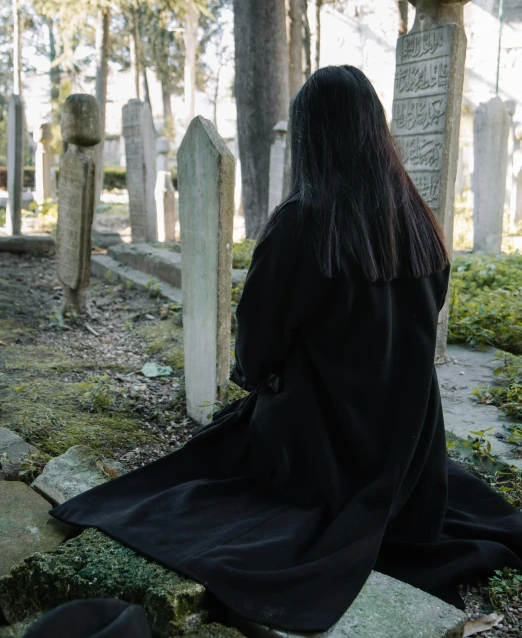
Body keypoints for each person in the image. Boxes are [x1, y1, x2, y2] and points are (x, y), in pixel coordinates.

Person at [51, 66, 522, 632]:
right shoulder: (418, 220)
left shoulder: (305, 224)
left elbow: (258, 344)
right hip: (408, 449)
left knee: (204, 467)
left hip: (315, 449)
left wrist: (260, 385)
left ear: (311, 138)